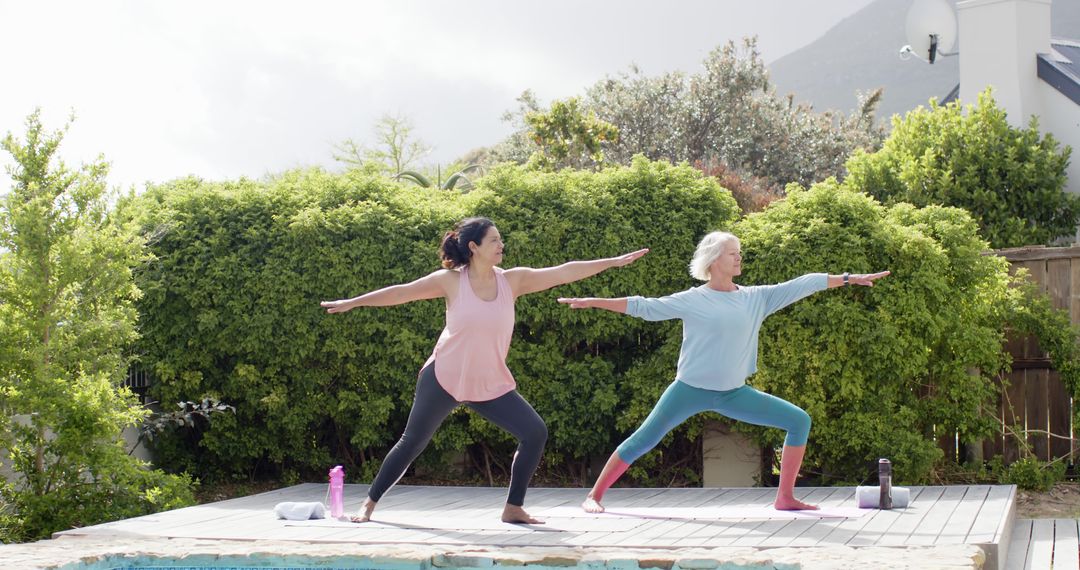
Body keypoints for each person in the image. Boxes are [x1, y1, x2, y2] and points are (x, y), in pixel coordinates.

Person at [321, 217, 648, 524]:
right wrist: (355, 301)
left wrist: (612, 262)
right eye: (494, 240)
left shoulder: (513, 281)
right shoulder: (450, 282)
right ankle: (370, 502)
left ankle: (513, 507)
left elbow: (563, 271)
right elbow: (402, 293)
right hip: (444, 377)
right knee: (412, 443)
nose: (501, 244)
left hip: (489, 382)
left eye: (500, 240)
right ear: (474, 247)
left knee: (535, 432)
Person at [558, 231, 889, 512]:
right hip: (689, 389)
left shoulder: (756, 298)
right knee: (643, 439)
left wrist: (847, 279)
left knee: (799, 420)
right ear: (715, 259)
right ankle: (594, 496)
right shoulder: (692, 299)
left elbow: (802, 284)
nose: (739, 258)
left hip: (734, 392)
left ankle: (785, 497)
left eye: (740, 253)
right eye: (733, 253)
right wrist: (594, 301)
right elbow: (644, 307)